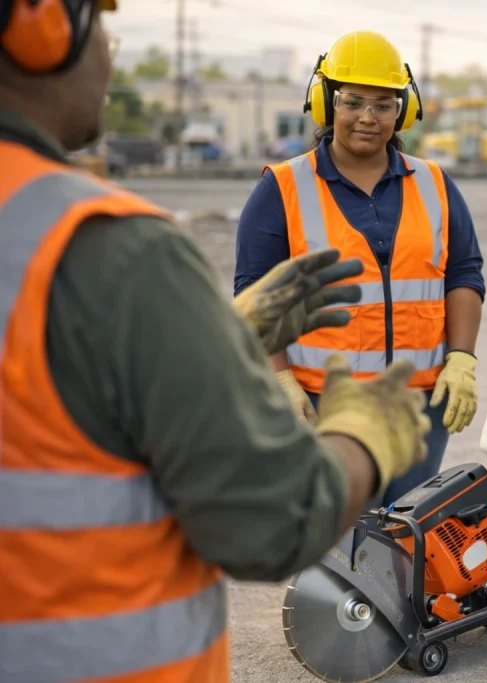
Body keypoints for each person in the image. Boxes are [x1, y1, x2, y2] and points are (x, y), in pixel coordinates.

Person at [0, 1, 431, 680]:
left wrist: (211, 338)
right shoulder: (103, 247)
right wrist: (365, 435)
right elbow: (270, 520)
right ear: (41, 28)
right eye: (102, 22)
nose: (109, 50)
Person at [235, 30, 486, 508]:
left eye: (384, 104)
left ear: (403, 111)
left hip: (419, 406)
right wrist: (278, 378)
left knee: (406, 542)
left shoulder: (435, 183)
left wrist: (462, 359)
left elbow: (463, 273)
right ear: (326, 103)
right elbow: (255, 293)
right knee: (335, 542)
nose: (368, 118)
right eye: (352, 102)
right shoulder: (283, 188)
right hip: (323, 405)